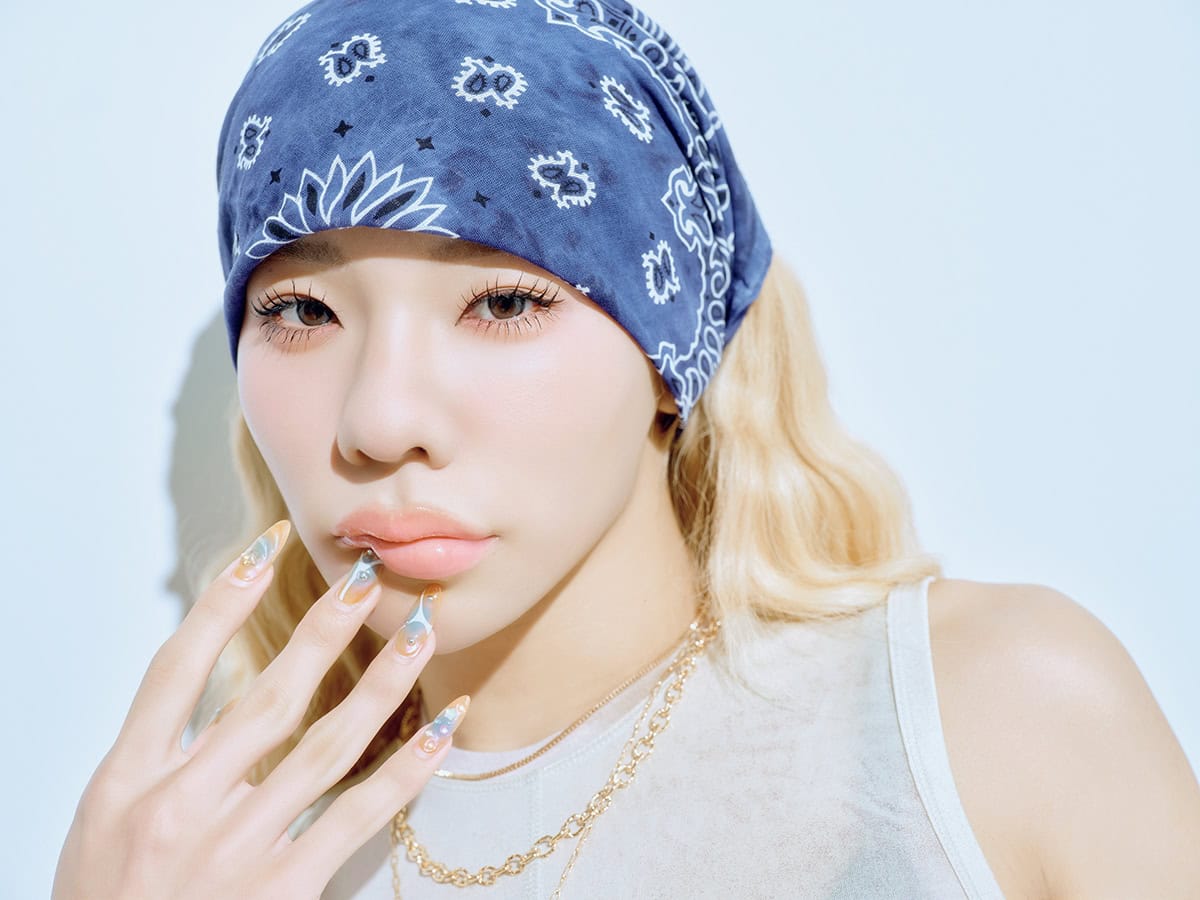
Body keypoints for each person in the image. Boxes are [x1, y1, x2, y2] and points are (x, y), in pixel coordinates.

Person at [53, 0, 1200, 897]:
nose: (380, 421)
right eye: (301, 311)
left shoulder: (982, 721)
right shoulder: (217, 856)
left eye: (504, 301)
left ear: (667, 352)